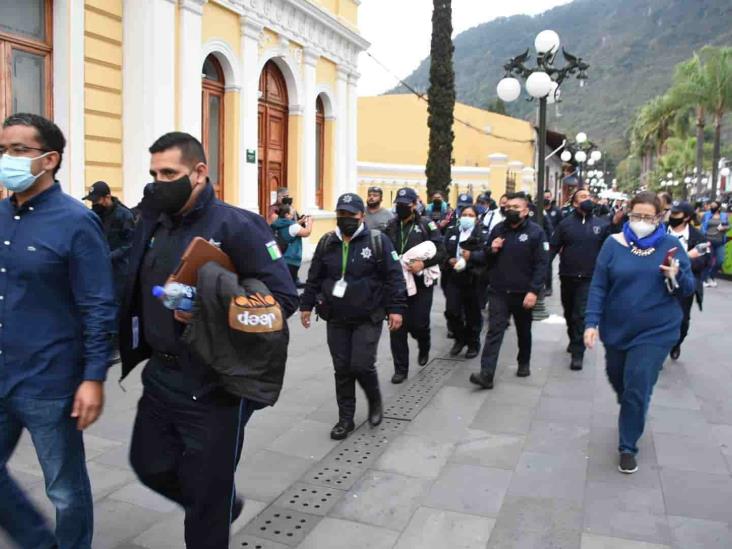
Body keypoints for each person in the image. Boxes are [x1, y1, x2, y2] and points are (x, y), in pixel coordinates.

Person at [118, 132, 298, 548]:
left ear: (199, 172)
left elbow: (282, 301)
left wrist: (209, 308)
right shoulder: (153, 219)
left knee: (205, 511)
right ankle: (218, 501)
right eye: (154, 173)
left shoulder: (238, 225)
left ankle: (213, 504)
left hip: (214, 385)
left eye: (169, 173)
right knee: (148, 465)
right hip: (160, 375)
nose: (159, 182)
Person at [0, 113, 117, 549]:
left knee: (64, 489)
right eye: (1, 150)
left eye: (17, 150)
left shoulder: (75, 221)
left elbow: (98, 304)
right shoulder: (0, 215)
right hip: (3, 370)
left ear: (48, 160)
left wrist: (93, 377)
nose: (6, 159)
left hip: (50, 382)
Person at [584, 191, 695, 474]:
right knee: (617, 377)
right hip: (617, 328)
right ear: (628, 214)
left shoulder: (670, 245)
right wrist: (591, 323)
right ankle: (633, 404)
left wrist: (676, 274)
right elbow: (598, 285)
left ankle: (627, 446)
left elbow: (689, 286)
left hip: (657, 330)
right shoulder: (613, 244)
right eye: (637, 216)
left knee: (636, 386)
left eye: (648, 217)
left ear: (659, 218)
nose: (642, 221)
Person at [300, 193, 406, 439]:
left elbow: (394, 277)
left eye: (351, 214)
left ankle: (375, 400)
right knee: (342, 368)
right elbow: (315, 277)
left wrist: (397, 308)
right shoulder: (328, 242)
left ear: (361, 216)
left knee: (361, 364)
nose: (346, 218)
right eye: (342, 214)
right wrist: (306, 306)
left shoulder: (378, 241)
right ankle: (345, 419)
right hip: (336, 316)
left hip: (368, 315)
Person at [470, 192, 549, 389]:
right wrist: (492, 249)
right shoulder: (499, 229)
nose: (510, 210)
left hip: (523, 293)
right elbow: (486, 257)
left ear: (525, 211)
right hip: (498, 291)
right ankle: (486, 374)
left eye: (516, 207)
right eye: (509, 207)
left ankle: (524, 362)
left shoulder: (536, 232)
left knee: (524, 330)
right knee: (494, 331)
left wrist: (534, 291)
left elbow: (542, 264)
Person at [385, 187, 446, 383]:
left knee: (419, 323)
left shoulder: (426, 225)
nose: (401, 208)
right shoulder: (391, 225)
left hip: (421, 283)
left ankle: (424, 343)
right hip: (397, 284)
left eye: (406, 205)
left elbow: (441, 252)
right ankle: (400, 369)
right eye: (399, 205)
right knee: (397, 326)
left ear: (414, 205)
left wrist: (423, 263)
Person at [550, 188, 611, 370]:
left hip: (590, 278)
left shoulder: (602, 224)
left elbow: (608, 252)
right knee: (569, 312)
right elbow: (553, 247)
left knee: (580, 314)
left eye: (588, 196)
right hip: (568, 275)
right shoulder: (565, 224)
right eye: (582, 197)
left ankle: (578, 352)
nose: (587, 199)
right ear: (575, 203)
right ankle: (573, 338)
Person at [668, 201, 711, 360]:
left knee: (682, 320)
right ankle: (658, 350)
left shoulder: (699, 238)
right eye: (671, 213)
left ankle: (676, 342)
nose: (672, 217)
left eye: (676, 214)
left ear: (686, 217)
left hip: (685, 283)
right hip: (660, 281)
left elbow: (705, 260)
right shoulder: (660, 230)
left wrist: (681, 263)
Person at [443, 206, 487, 359]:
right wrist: (449, 259)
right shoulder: (453, 231)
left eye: (471, 215)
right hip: (454, 277)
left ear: (476, 218)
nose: (467, 217)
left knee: (472, 313)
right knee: (451, 311)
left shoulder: (481, 234)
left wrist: (471, 256)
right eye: (464, 214)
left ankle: (473, 343)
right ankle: (459, 338)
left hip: (473, 278)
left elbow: (485, 255)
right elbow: (443, 250)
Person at [83, 181, 135, 303]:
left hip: (118, 272)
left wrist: (109, 257)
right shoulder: (94, 215)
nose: (94, 204)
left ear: (107, 197)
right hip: (98, 272)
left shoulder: (124, 215)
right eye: (92, 201)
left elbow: (131, 243)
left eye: (96, 201)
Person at [271, 205, 312, 288]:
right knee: (290, 287)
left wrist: (299, 222)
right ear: (287, 215)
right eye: (292, 213)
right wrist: (310, 222)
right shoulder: (293, 227)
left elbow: (290, 227)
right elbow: (307, 232)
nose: (293, 215)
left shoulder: (276, 224)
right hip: (291, 260)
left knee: (282, 285)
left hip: (278, 258)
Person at [700, 200, 728, 287]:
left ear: (719, 207)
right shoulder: (706, 214)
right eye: (711, 205)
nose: (712, 207)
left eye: (714, 206)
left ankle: (711, 277)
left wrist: (724, 228)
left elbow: (728, 226)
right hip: (708, 241)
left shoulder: (724, 215)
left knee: (720, 261)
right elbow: (702, 226)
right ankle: (704, 279)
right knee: (708, 260)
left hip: (720, 242)